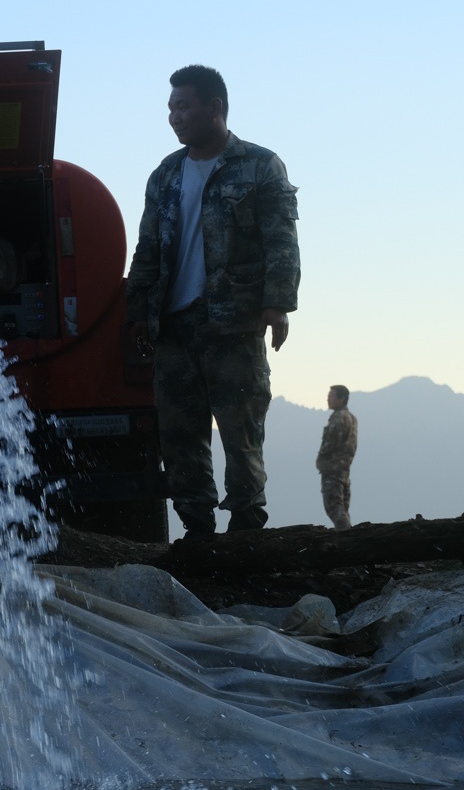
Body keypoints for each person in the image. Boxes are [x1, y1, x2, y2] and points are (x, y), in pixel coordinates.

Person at [125, 64, 300, 540]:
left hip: (233, 321)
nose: (174, 117)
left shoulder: (259, 165)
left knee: (242, 435)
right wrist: (138, 310)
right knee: (180, 438)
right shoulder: (165, 174)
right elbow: (147, 248)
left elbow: (280, 238)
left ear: (215, 108)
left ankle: (246, 532)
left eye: (183, 106)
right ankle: (198, 535)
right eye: (170, 108)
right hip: (174, 323)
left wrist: (277, 304)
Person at [316, 385, 358, 530]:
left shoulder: (339, 418)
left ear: (342, 399)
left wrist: (322, 460)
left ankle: (347, 538)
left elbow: (330, 444)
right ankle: (347, 536)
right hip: (344, 470)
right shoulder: (352, 418)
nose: (328, 399)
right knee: (342, 508)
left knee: (334, 507)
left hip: (332, 470)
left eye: (332, 396)